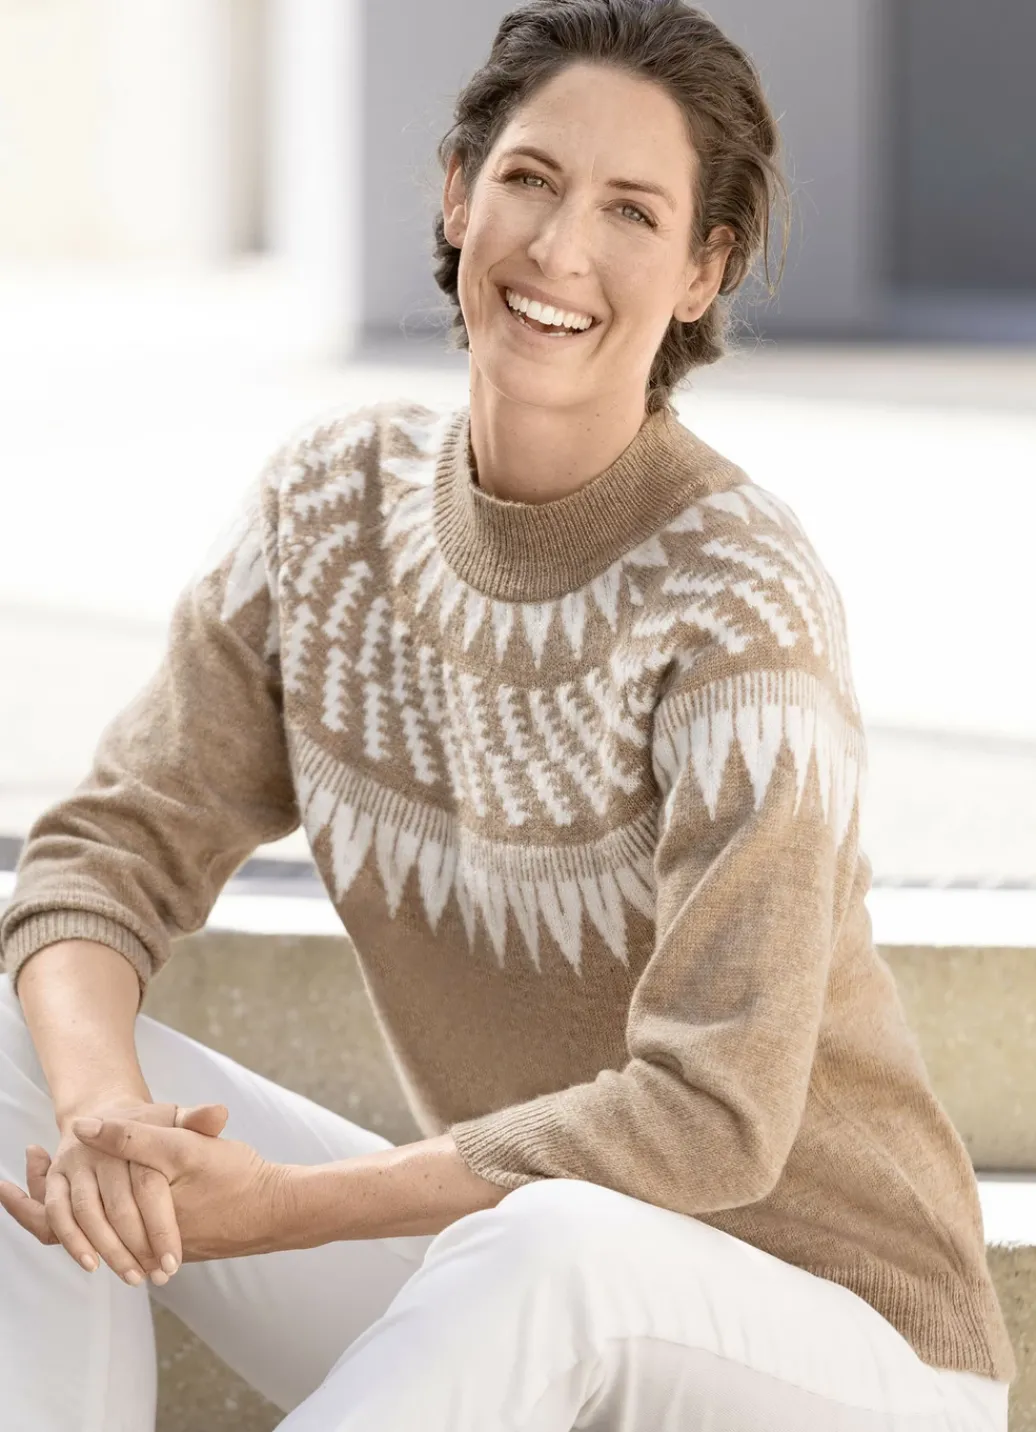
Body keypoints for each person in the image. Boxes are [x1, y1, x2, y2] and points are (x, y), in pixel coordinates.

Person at [0, 1, 1016, 1428]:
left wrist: (282, 1205)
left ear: (702, 273)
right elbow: (104, 856)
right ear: (457, 192)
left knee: (551, 1241)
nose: (560, 250)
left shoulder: (739, 600)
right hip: (520, 1303)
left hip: (844, 1353)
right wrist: (107, 1119)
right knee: (24, 1056)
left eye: (632, 211)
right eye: (531, 179)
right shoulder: (328, 513)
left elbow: (711, 1115)